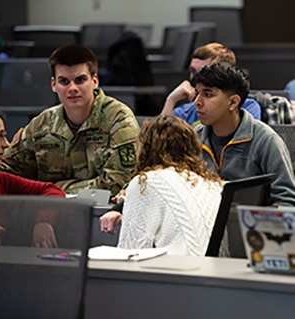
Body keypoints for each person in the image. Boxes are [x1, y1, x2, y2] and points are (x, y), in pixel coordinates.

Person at [0, 44, 140, 195]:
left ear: (95, 81)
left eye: (80, 80)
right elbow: (2, 172)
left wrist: (52, 189)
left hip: (105, 213)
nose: (72, 88)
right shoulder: (41, 125)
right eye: (64, 81)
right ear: (54, 85)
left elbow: (119, 182)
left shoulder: (119, 120)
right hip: (50, 212)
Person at [114, 115, 223, 256]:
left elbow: (131, 251)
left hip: (175, 273)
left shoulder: (146, 182)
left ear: (146, 147)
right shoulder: (212, 184)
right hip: (218, 270)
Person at [192, 62, 295, 206]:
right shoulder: (193, 140)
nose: (197, 102)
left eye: (208, 95)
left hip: (248, 225)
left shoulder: (265, 141)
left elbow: (287, 201)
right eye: (197, 93)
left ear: (233, 102)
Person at [0, 110, 66, 247]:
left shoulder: (1, 180)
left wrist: (43, 221)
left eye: (4, 136)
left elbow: (53, 191)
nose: (6, 144)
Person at [161, 43, 261, 127]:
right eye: (193, 71)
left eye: (203, 71)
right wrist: (171, 100)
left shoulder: (247, 108)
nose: (195, 78)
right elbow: (159, 142)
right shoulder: (186, 111)